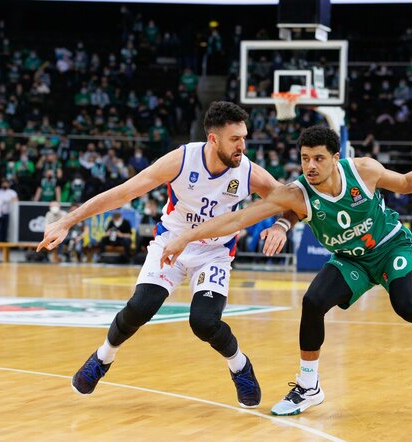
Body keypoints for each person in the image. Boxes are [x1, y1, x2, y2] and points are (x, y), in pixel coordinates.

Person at [161, 125, 412, 416]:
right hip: (350, 258)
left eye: (318, 159)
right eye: (305, 159)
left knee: (408, 306)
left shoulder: (363, 170)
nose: (310, 166)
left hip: (390, 246)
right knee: (313, 301)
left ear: (335, 157)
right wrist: (186, 237)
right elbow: (236, 219)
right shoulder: (296, 193)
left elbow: (405, 182)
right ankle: (309, 386)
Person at [38, 101, 293, 408]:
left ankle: (240, 366)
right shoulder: (182, 160)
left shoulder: (249, 172)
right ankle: (102, 358)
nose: (242, 145)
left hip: (214, 251)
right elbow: (124, 192)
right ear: (213, 139)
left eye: (244, 137)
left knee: (204, 323)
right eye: (234, 139)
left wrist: (281, 226)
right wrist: (67, 220)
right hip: (171, 241)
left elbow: (291, 200)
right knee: (141, 307)